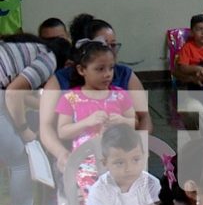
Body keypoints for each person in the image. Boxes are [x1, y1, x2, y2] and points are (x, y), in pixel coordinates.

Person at [40, 13, 151, 172]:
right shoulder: (60, 83)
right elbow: (46, 127)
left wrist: (140, 146)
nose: (112, 51)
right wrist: (62, 154)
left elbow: (143, 117)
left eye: (114, 45)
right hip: (78, 158)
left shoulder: (124, 77)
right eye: (106, 46)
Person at [55, 39, 136, 205]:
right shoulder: (71, 98)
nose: (107, 74)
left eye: (110, 68)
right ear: (82, 70)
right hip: (87, 161)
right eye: (100, 69)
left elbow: (135, 121)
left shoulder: (119, 95)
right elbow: (63, 131)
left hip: (120, 158)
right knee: (92, 191)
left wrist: (123, 121)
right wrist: (87, 122)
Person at [0, 33, 70, 205]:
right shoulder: (48, 59)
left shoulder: (24, 49)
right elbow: (13, 94)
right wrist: (24, 130)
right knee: (20, 161)